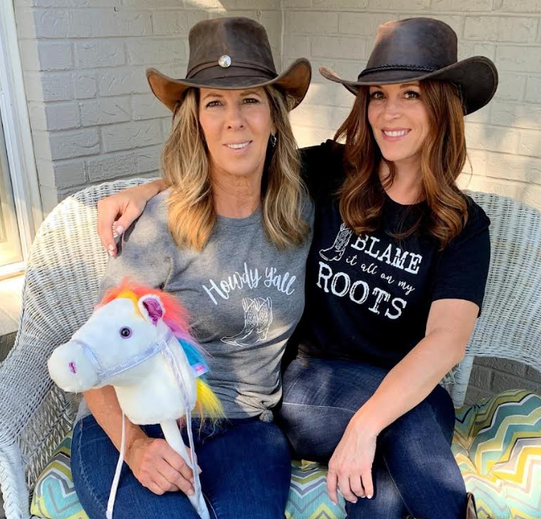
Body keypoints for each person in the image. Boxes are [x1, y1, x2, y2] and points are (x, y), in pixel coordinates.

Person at [96, 18, 497, 519]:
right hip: (311, 385)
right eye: (377, 96)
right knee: (416, 419)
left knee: (385, 482)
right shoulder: (334, 172)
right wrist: (148, 192)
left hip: (396, 388)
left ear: (443, 105)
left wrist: (366, 425)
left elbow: (447, 340)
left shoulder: (462, 224)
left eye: (411, 94)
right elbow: (232, 162)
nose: (389, 112)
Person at [70, 17, 314, 519]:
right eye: (214, 103)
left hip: (246, 427)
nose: (234, 120)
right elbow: (92, 355)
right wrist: (135, 446)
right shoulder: (161, 226)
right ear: (195, 121)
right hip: (132, 422)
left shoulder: (302, 210)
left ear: (274, 116)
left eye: (250, 99)